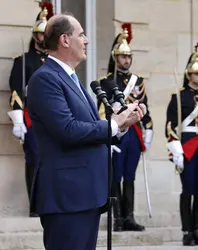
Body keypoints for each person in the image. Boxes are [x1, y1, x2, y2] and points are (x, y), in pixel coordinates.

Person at [26, 13, 146, 250]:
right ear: (65, 40)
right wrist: (113, 124)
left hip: (85, 195)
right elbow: (67, 130)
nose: (87, 40)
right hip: (67, 197)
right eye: (81, 34)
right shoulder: (46, 79)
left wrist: (123, 124)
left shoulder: (71, 78)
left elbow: (89, 129)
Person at [98, 23, 153, 231]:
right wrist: (107, 134)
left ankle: (129, 216)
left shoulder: (138, 82)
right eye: (122, 56)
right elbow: (100, 110)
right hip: (116, 131)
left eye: (129, 56)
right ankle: (117, 218)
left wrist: (148, 128)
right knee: (116, 175)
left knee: (130, 175)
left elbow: (144, 106)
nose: (126, 60)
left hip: (135, 132)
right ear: (115, 57)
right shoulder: (106, 81)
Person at [165, 43, 198, 246]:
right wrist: (175, 149)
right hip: (187, 146)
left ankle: (197, 230)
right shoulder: (178, 97)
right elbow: (170, 126)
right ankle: (187, 231)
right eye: (197, 73)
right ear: (189, 74)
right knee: (188, 189)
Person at [7, 3, 53, 217]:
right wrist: (18, 120)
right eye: (41, 34)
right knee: (34, 159)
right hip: (32, 117)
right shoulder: (24, 61)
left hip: (54, 118)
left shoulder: (55, 63)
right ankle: (35, 205)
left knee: (52, 161)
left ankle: (50, 203)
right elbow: (16, 91)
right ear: (35, 36)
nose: (44, 38)